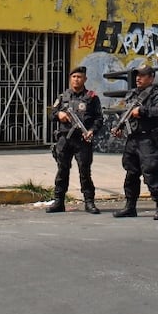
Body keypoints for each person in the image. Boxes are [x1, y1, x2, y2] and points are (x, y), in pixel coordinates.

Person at [111, 63, 158, 220]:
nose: (138, 78)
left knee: (151, 172)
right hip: (132, 139)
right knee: (131, 173)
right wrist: (119, 127)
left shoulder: (157, 94)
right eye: (137, 75)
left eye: (142, 75)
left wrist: (142, 111)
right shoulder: (132, 94)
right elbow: (126, 113)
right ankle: (130, 206)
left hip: (147, 139)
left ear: (151, 78)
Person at [45, 66, 104, 214]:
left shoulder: (91, 97)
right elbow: (51, 114)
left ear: (85, 79)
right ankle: (59, 201)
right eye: (74, 77)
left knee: (85, 172)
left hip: (82, 140)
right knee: (62, 171)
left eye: (79, 77)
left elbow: (98, 119)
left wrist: (91, 131)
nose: (76, 79)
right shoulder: (62, 97)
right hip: (64, 139)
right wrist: (59, 115)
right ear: (70, 79)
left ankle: (89, 202)